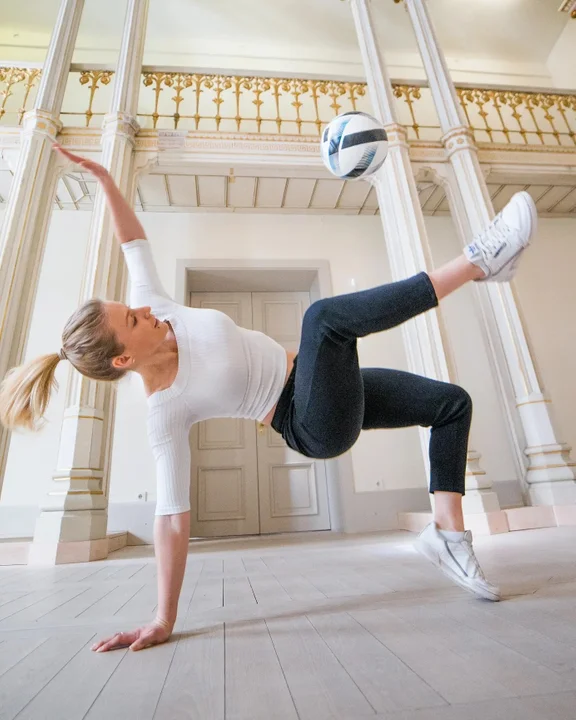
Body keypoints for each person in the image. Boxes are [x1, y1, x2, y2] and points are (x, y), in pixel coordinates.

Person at [0, 145, 537, 652]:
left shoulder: (152, 302)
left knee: (451, 404)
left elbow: (131, 241)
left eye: (133, 306)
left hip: (315, 380)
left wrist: (104, 179)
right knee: (323, 320)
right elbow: (170, 518)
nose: (145, 311)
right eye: (133, 320)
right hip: (306, 422)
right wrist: (163, 619)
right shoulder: (165, 408)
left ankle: (449, 536)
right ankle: (477, 263)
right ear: (123, 359)